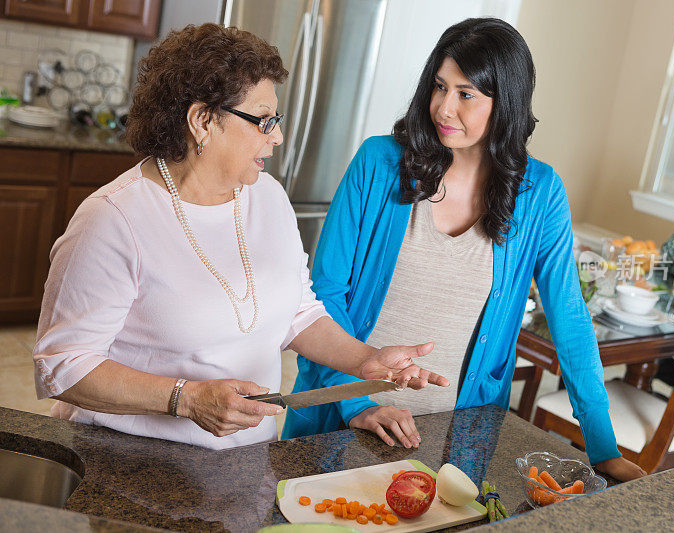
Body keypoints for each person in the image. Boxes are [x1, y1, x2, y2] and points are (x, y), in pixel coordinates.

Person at [31, 24, 445, 450]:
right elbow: (63, 367)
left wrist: (365, 359)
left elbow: (296, 312)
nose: (278, 137)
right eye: (264, 121)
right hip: (129, 462)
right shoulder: (113, 219)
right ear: (202, 121)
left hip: (247, 462)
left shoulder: (268, 197)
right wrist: (185, 400)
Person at [283, 18, 646, 481]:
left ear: (505, 103)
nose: (444, 108)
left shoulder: (540, 193)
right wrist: (358, 403)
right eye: (439, 87)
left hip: (455, 437)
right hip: (341, 420)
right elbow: (326, 295)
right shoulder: (378, 163)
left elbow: (569, 318)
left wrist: (602, 447)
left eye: (466, 94)